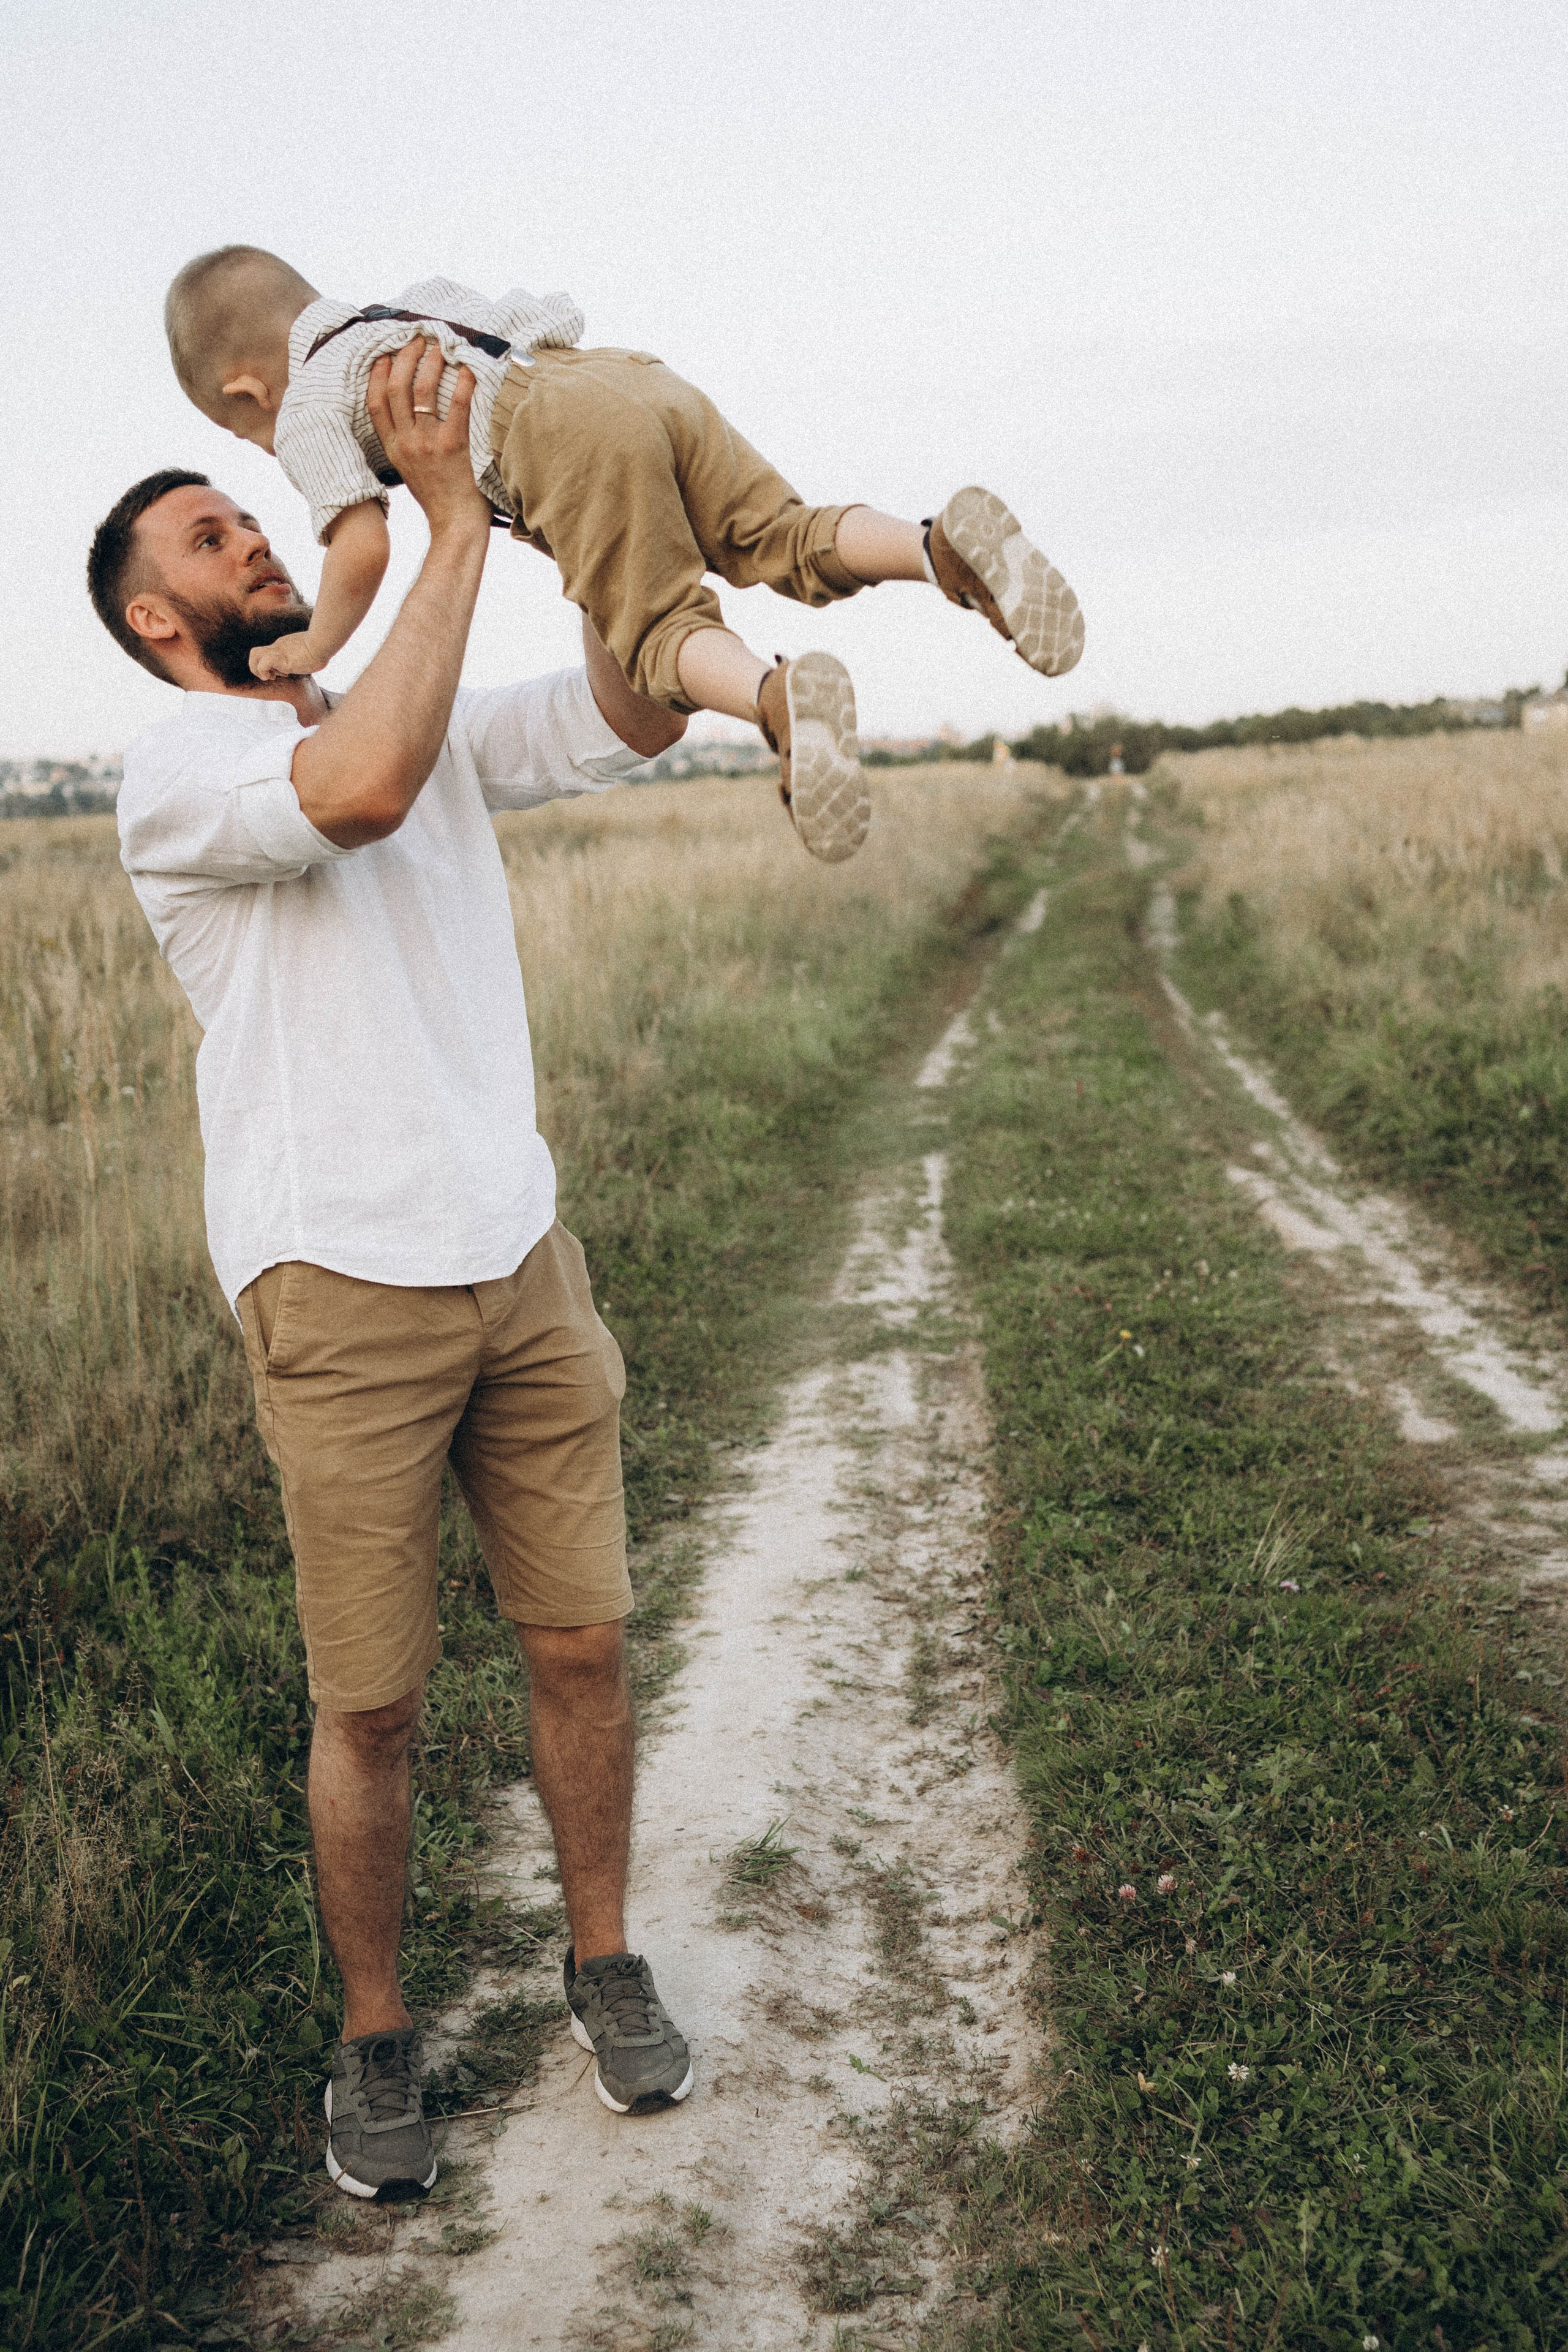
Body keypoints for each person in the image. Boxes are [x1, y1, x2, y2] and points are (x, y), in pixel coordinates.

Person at [88, 337, 698, 2203]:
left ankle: (604, 1964)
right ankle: (375, 2038)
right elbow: (350, 791)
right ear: (152, 611)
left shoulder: (395, 697)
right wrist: (443, 523)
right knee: (372, 1704)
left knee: (582, 1641)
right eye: (214, 534)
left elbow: (628, 717)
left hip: (518, 1251)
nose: (258, 540)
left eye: (254, 518)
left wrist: (589, 502)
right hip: (335, 1285)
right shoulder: (181, 768)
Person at [162, 244, 1087, 865]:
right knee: (777, 533)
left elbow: (360, 542)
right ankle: (939, 548)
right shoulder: (398, 312)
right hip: (614, 376)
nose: (261, 448)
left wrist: (317, 643)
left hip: (552, 436)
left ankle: (777, 700)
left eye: (243, 431)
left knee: (654, 626)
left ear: (247, 390)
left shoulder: (308, 411)